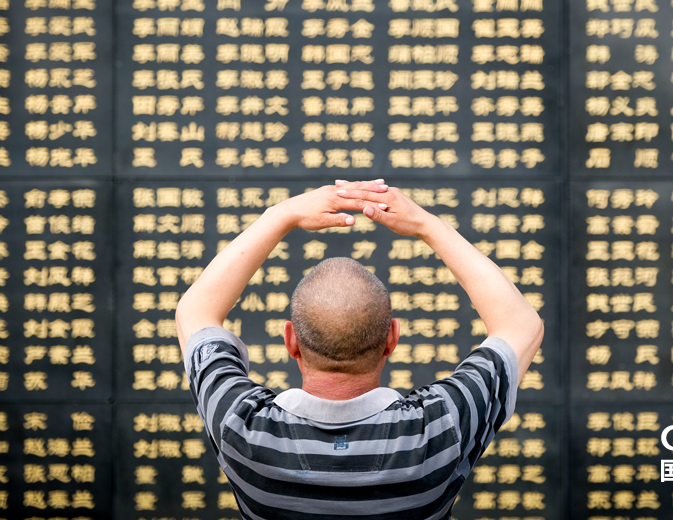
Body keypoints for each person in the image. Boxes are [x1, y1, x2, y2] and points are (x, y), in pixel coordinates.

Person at [176, 179, 544, 520]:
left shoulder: (241, 429)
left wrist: (280, 215)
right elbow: (520, 325)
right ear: (392, 338)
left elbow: (196, 312)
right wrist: (428, 226)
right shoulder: (440, 428)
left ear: (291, 340)